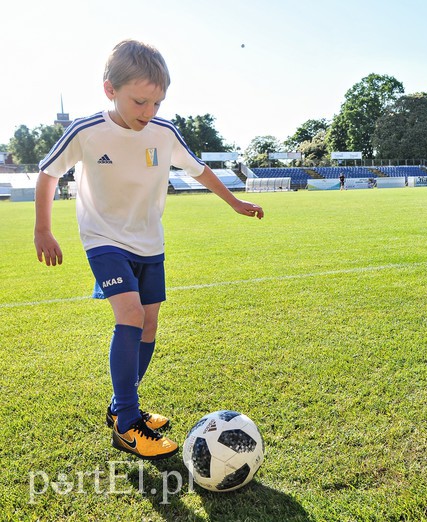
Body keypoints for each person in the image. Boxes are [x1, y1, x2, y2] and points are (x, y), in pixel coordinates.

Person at [33, 40, 265, 460]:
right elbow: (48, 174)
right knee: (132, 316)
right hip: (104, 239)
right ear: (110, 90)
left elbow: (201, 170)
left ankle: (124, 405)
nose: (149, 111)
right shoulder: (86, 131)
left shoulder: (165, 133)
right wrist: (43, 229)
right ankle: (126, 423)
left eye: (157, 102)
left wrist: (235, 202)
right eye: (140, 101)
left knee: (150, 326)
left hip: (149, 241)